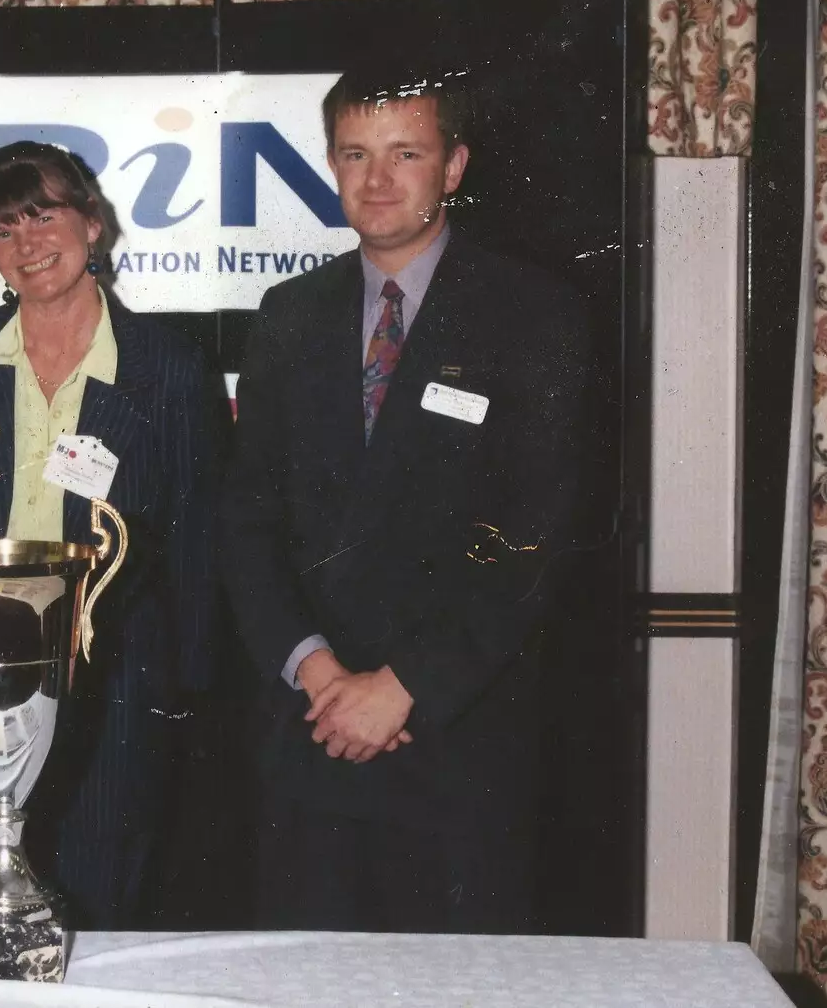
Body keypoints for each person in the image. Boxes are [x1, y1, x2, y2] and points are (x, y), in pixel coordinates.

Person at [220, 66, 592, 934]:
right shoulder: (288, 314)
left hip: (456, 744)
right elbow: (246, 525)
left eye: (406, 153)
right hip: (312, 738)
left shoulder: (536, 314)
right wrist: (319, 672)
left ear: (453, 167)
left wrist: (405, 687)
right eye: (355, 153)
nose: (377, 180)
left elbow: (536, 538)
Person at [0, 141, 220, 929]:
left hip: (108, 689)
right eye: (0, 228)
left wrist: (178, 687)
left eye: (43, 214)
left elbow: (197, 536)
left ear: (92, 223)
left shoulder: (167, 365)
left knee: (90, 911)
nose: (25, 242)